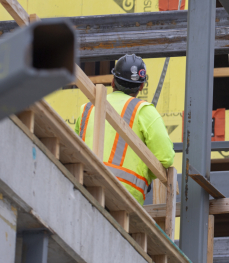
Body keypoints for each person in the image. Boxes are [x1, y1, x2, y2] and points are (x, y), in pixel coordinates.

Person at [74, 54, 175, 204]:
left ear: (112, 81)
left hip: (83, 184)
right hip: (124, 194)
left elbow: (75, 148)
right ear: (141, 86)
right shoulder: (144, 110)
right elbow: (166, 158)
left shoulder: (87, 108)